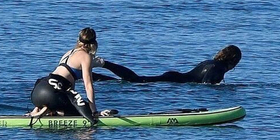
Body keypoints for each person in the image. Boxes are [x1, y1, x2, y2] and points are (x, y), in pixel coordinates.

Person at [28, 27, 103, 124]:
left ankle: (40, 109)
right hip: (52, 94)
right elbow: (88, 86)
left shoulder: (69, 53)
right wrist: (93, 111)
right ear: (94, 43)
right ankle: (53, 111)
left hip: (37, 93)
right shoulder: (86, 57)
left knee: (69, 99)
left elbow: (60, 82)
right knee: (82, 109)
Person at [98, 45, 242, 85]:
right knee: (135, 80)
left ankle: (97, 76)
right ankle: (104, 64)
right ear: (233, 61)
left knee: (136, 80)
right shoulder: (219, 68)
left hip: (175, 77)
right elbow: (206, 86)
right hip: (174, 82)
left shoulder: (210, 62)